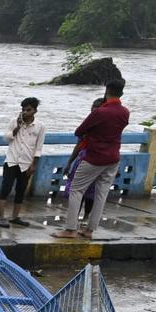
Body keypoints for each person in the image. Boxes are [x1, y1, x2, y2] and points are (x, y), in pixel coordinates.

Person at [56, 79, 130, 240]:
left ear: (107, 90)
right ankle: (89, 230)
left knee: (76, 190)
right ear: (122, 93)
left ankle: (70, 229)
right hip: (113, 158)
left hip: (94, 156)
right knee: (101, 194)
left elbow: (79, 131)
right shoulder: (125, 112)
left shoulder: (100, 112)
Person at [0, 97, 45, 228]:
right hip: (11, 161)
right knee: (5, 189)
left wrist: (34, 164)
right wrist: (17, 127)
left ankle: (15, 217)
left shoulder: (40, 126)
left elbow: (38, 148)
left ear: (35, 111)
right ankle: (0, 217)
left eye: (28, 110)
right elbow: (6, 138)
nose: (25, 113)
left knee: (21, 190)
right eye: (23, 110)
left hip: (26, 163)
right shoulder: (14, 122)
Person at [62, 98, 105, 221]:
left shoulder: (107, 128)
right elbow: (79, 144)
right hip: (83, 158)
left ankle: (86, 217)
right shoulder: (87, 125)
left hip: (98, 160)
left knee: (92, 191)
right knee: (77, 190)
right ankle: (74, 218)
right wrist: (69, 162)